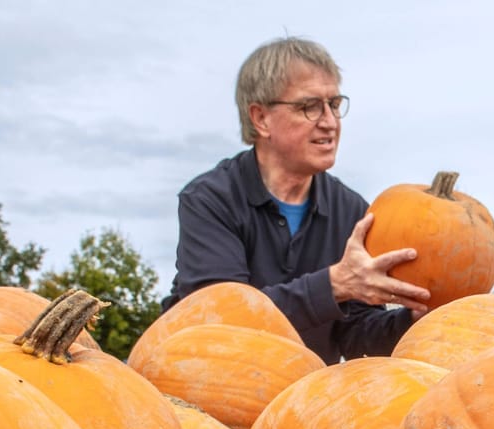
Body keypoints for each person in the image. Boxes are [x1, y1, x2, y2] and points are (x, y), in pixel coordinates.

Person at [164, 37, 429, 365]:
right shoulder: (209, 200)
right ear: (261, 119)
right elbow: (219, 323)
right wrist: (333, 286)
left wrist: (413, 321)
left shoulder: (353, 211)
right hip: (208, 395)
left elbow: (357, 336)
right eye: (310, 106)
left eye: (334, 104)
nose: (330, 122)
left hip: (304, 401)